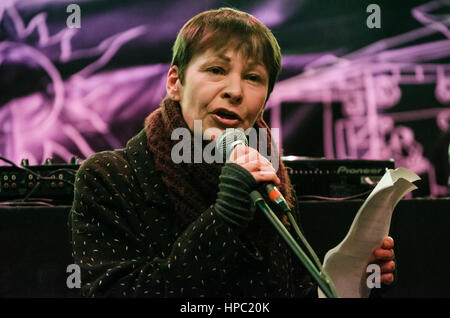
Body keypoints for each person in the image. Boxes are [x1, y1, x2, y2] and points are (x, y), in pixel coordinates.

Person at [69, 7, 395, 298]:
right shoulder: (110, 176)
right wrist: (226, 215)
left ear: (265, 100)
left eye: (253, 78)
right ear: (175, 82)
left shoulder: (269, 177)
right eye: (216, 70)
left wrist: (349, 284)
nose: (235, 91)